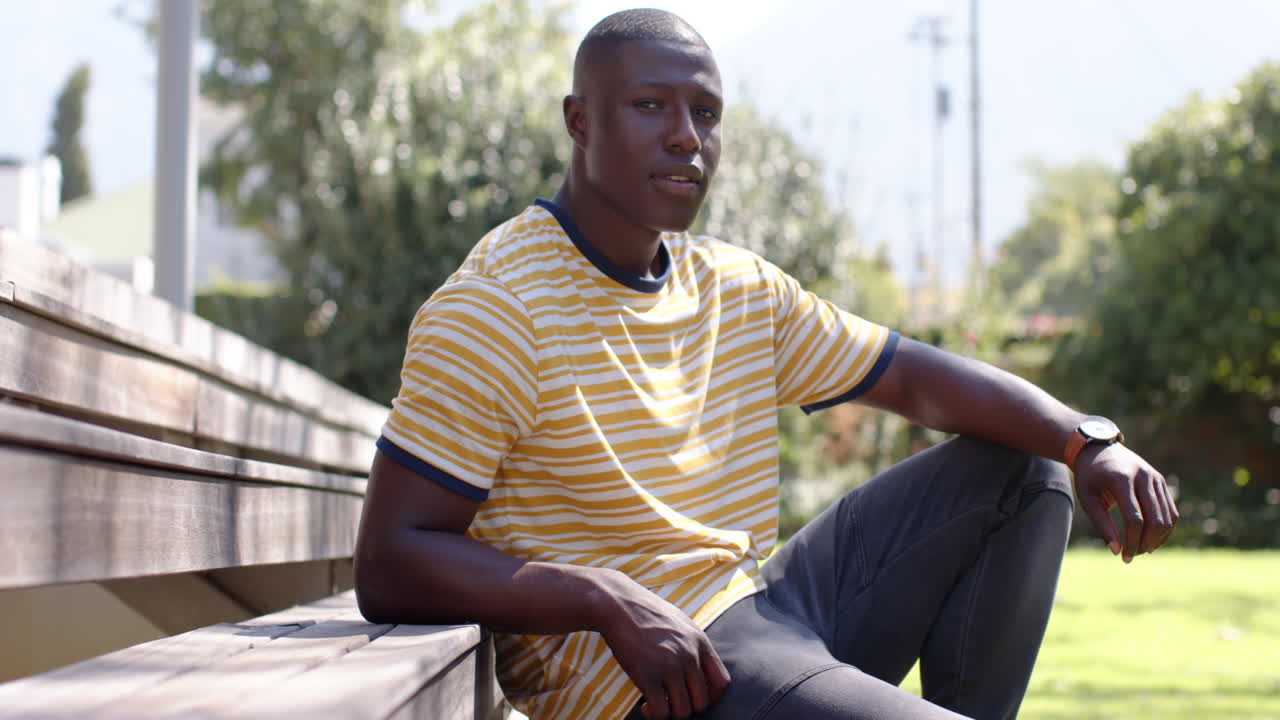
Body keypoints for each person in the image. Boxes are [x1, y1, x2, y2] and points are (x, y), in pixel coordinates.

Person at [353, 9, 1177, 720]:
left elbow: (916, 377)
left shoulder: (732, 285)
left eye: (705, 113)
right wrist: (597, 597)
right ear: (579, 121)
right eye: (650, 106)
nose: (686, 136)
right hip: (649, 684)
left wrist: (1086, 441)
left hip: (770, 607)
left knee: (1030, 473)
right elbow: (391, 560)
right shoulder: (496, 305)